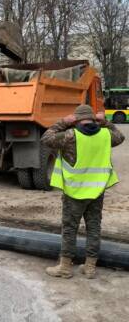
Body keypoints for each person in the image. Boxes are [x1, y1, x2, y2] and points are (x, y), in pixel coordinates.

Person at [41, 104, 125, 279]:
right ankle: (90, 267)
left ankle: (64, 267)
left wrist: (63, 122)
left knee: (70, 228)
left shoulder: (71, 135)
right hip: (97, 191)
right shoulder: (105, 134)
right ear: (94, 119)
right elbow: (120, 136)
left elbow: (46, 139)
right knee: (94, 227)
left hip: (75, 192)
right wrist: (106, 122)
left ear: (77, 119)